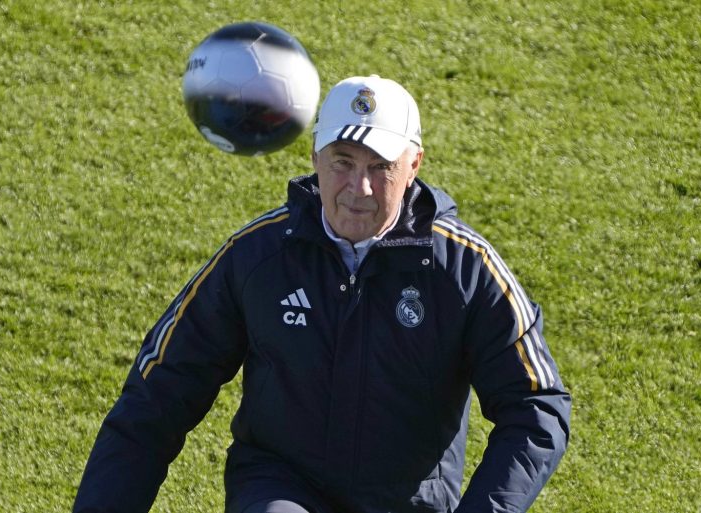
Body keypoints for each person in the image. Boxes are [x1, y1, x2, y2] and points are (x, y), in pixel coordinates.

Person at [73, 74, 571, 513]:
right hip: (281, 488)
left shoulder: (466, 269)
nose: (359, 187)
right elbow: (158, 395)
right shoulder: (257, 256)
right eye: (343, 161)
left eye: (381, 166)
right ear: (314, 156)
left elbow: (538, 408)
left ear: (414, 165)